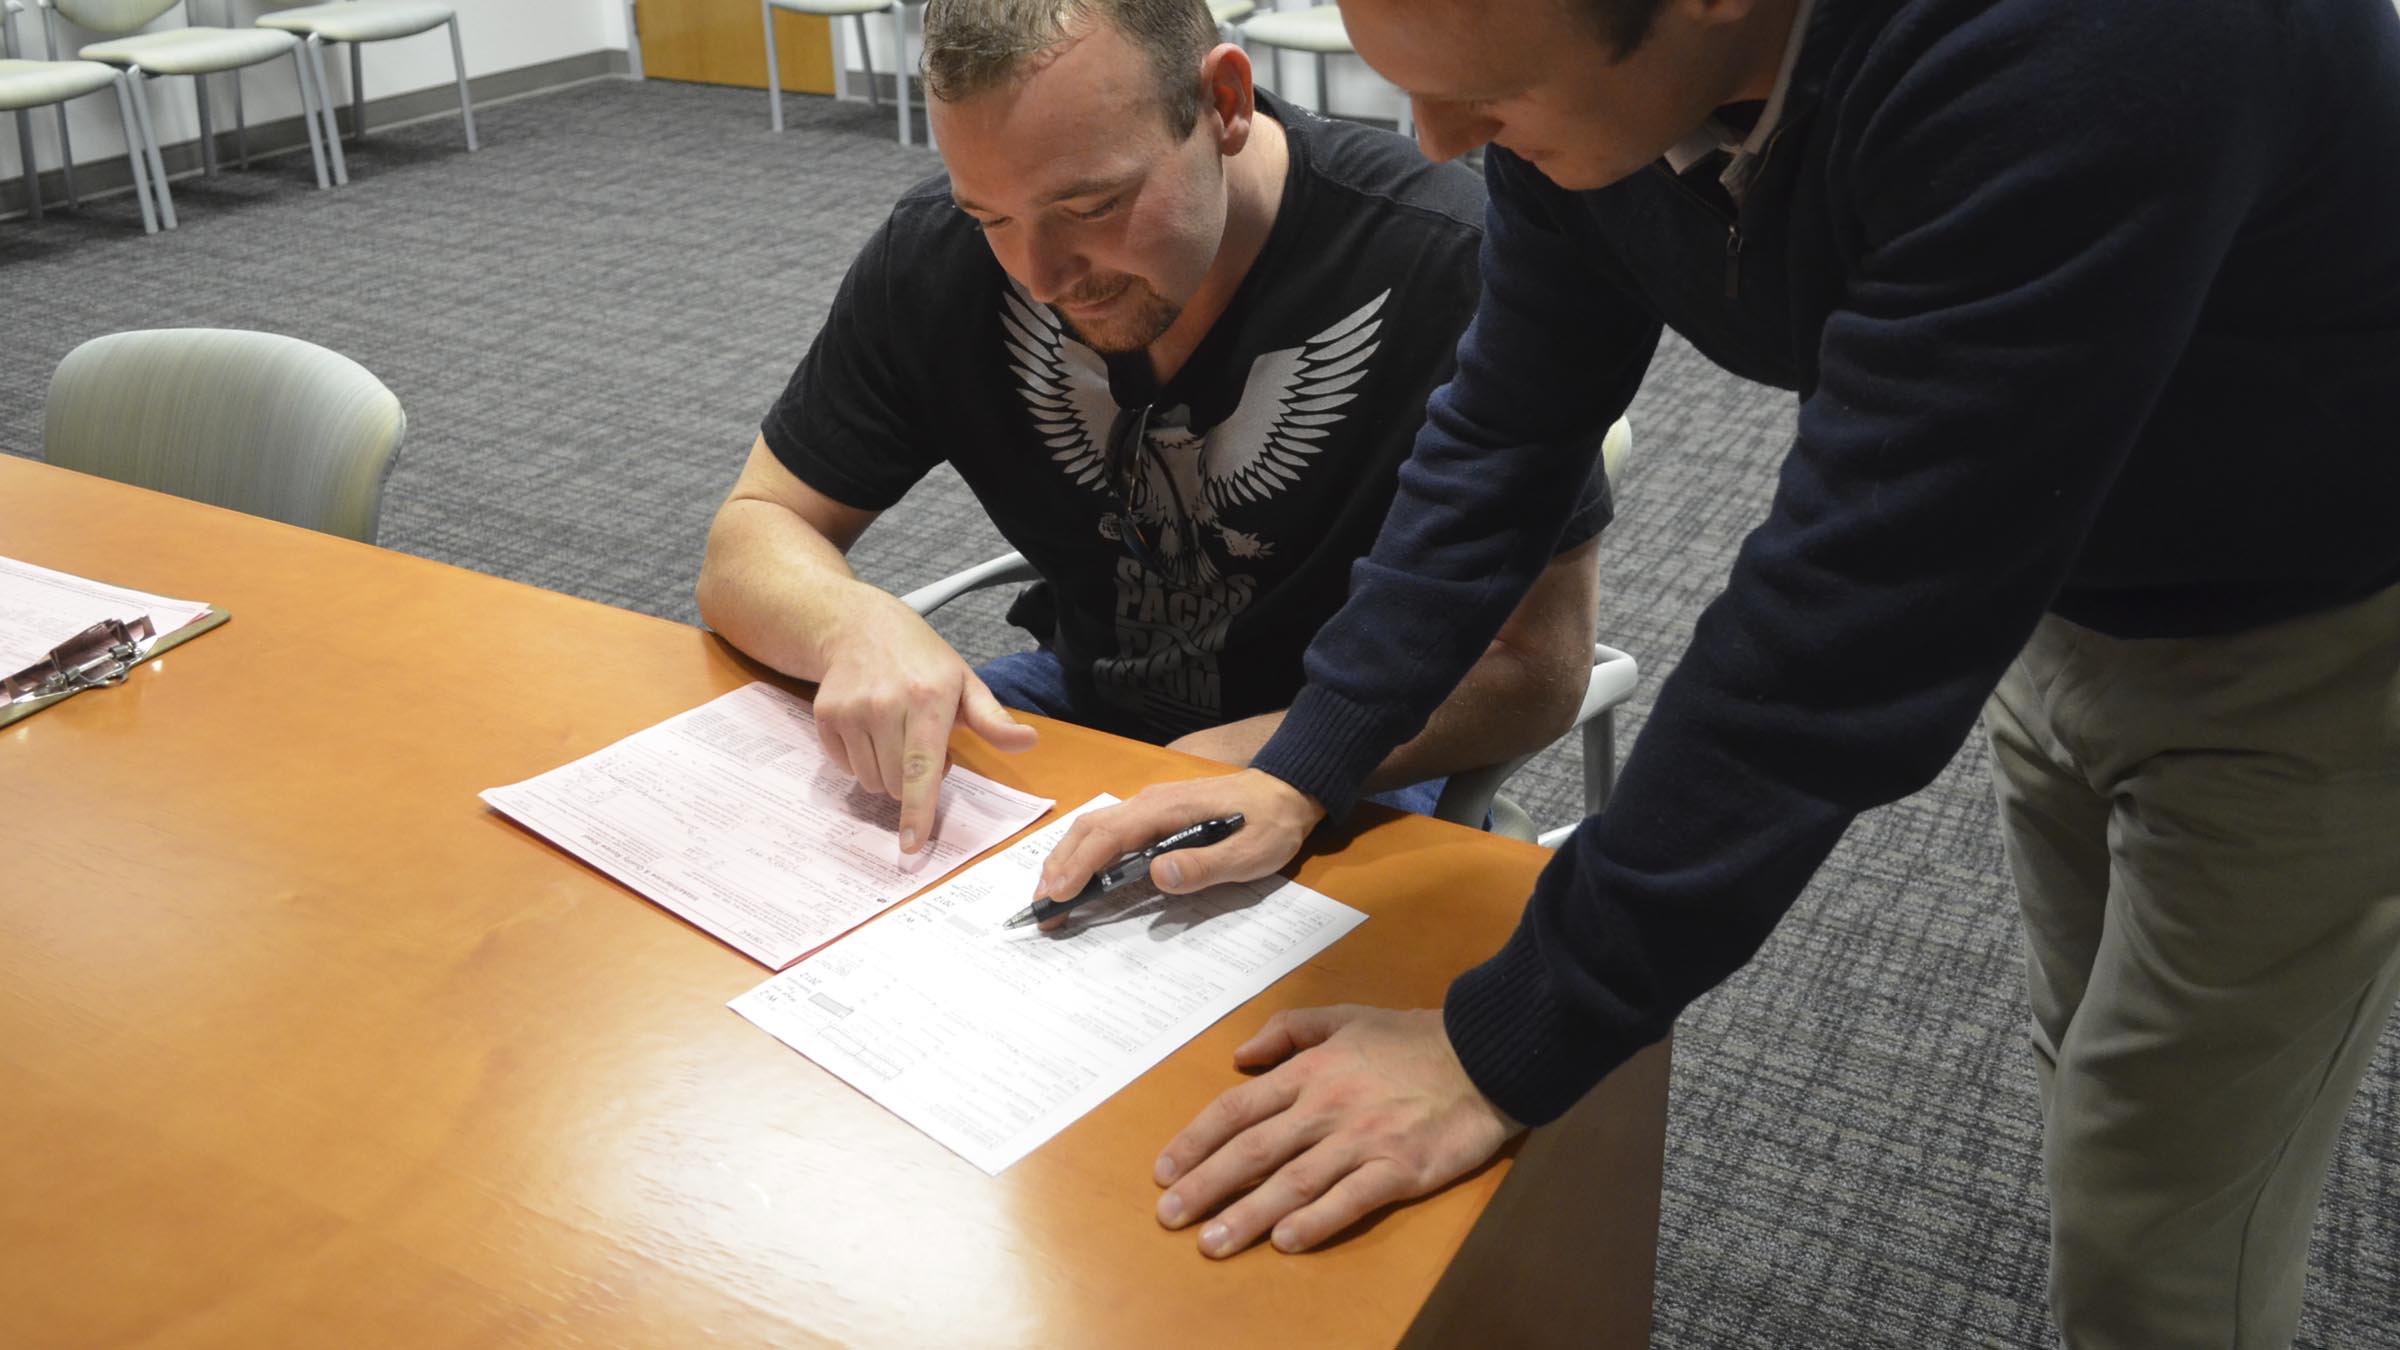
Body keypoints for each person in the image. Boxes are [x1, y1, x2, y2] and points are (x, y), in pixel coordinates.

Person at [1036, 0, 2400, 1343]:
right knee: (2091, 1050)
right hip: (2062, 566)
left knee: (2158, 1205)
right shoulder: (1577, 70)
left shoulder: (2106, 50)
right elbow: (1509, 426)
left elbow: (1839, 639)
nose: (1438, 145)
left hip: (2320, 628)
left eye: (1489, 102)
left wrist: (1503, 1036)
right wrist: (1308, 756)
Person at [696, 0, 1611, 853]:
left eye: (1090, 206)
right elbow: (752, 535)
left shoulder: (1451, 267)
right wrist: (848, 621)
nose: (1041, 276)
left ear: (1223, 104)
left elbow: (1539, 668)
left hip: (1363, 736)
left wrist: (1285, 753)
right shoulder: (936, 257)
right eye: (993, 217)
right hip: (1087, 699)